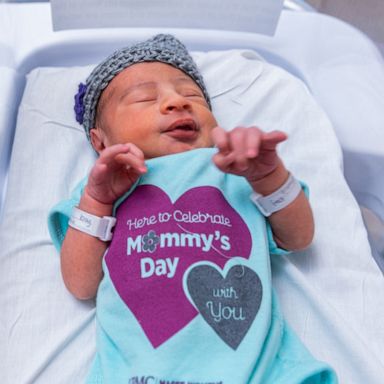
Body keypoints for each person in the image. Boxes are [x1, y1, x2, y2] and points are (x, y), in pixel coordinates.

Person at [48, 34, 337, 383]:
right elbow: (81, 284)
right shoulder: (104, 185)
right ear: (100, 141)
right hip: (139, 373)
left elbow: (300, 237)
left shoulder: (234, 168)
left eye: (192, 96)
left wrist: (270, 176)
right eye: (144, 97)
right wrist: (98, 201)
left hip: (260, 371)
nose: (176, 103)